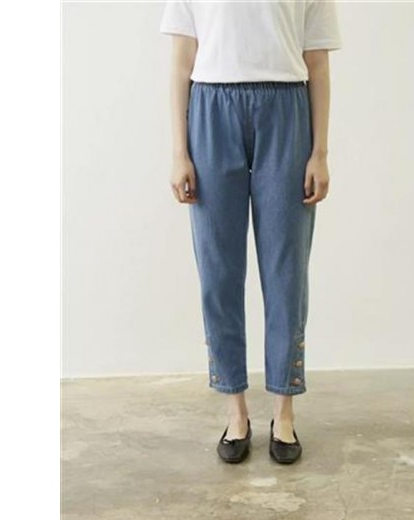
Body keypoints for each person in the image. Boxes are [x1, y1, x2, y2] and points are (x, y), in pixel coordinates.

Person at [159, 0, 341, 464]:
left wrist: (320, 153)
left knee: (286, 270)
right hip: (211, 109)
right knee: (218, 270)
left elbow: (318, 63)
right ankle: (235, 411)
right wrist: (179, 153)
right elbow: (182, 61)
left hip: (286, 110)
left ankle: (284, 411)